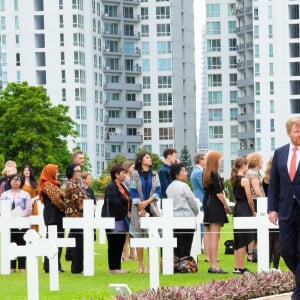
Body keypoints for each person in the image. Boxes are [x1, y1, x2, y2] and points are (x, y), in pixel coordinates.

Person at [268, 117, 300, 300]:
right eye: (297, 131)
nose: (299, 134)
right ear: (289, 133)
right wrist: (272, 209)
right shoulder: (279, 153)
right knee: (287, 249)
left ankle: (297, 294)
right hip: (285, 209)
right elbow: (274, 184)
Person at [129, 152, 161, 274]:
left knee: (150, 236)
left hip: (151, 207)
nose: (150, 159)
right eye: (147, 157)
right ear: (141, 160)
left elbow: (158, 190)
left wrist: (147, 202)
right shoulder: (134, 174)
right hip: (138, 208)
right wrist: (140, 206)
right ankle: (140, 263)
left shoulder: (155, 174)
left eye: (150, 157)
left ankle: (149, 264)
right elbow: (132, 190)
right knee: (138, 235)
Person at [203, 150, 231, 274]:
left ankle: (212, 263)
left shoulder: (207, 173)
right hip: (215, 204)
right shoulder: (214, 174)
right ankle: (214, 265)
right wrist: (226, 205)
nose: (221, 161)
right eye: (220, 159)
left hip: (210, 202)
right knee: (215, 236)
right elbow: (219, 193)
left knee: (212, 235)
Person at [37, 164, 66, 273]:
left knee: (59, 240)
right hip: (53, 215)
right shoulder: (47, 185)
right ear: (50, 172)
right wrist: (66, 208)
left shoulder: (54, 184)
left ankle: (56, 265)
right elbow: (56, 200)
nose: (57, 174)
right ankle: (49, 265)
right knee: (53, 240)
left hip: (57, 215)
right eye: (56, 171)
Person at [0, 174, 32, 273]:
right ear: (10, 181)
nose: (16, 182)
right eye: (14, 180)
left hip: (21, 222)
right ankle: (12, 266)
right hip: (8, 222)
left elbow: (29, 209)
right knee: (11, 243)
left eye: (18, 180)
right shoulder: (5, 195)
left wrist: (19, 216)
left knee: (22, 243)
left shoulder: (25, 194)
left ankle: (22, 267)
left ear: (21, 182)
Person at [101, 165, 130, 274]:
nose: (125, 175)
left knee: (120, 242)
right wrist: (126, 212)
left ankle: (118, 267)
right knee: (113, 243)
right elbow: (115, 202)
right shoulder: (111, 187)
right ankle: (113, 268)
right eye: (123, 173)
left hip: (121, 218)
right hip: (112, 218)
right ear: (116, 175)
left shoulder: (122, 186)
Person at [166, 163, 199, 257]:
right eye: (183, 171)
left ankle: (176, 265)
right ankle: (185, 265)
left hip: (174, 219)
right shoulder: (183, 186)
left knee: (176, 246)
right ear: (177, 174)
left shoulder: (169, 187)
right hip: (186, 218)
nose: (186, 173)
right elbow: (192, 202)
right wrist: (195, 213)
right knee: (186, 246)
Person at [231, 157, 255, 274]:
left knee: (238, 238)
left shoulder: (234, 179)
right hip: (244, 208)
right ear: (244, 166)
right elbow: (249, 198)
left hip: (237, 208)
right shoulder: (244, 180)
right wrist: (253, 211)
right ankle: (241, 266)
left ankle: (237, 266)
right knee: (244, 238)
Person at [65, 163, 89, 274]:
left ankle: (79, 266)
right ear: (71, 172)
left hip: (81, 217)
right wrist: (90, 205)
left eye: (80, 170)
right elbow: (80, 202)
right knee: (78, 243)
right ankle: (76, 267)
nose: (79, 173)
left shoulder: (78, 184)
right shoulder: (71, 185)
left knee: (80, 242)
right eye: (77, 171)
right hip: (76, 217)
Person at [65, 150, 85, 261]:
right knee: (76, 236)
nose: (83, 160)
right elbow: (79, 201)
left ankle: (72, 257)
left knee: (77, 237)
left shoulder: (79, 180)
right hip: (76, 214)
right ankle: (72, 257)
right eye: (80, 158)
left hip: (82, 215)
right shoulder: (71, 183)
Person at [247, 152, 265, 262]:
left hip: (254, 202)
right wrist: (265, 199)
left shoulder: (249, 173)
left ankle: (252, 253)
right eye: (261, 160)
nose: (262, 162)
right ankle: (253, 253)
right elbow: (257, 192)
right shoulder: (253, 175)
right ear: (257, 162)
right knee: (257, 228)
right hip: (257, 202)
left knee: (253, 229)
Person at [263, 156, 280, 270]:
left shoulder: (265, 179)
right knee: (277, 238)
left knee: (269, 237)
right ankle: (276, 266)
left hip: (267, 206)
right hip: (277, 206)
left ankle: (267, 263)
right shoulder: (279, 178)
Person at [190, 152, 208, 259]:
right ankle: (200, 249)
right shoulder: (198, 172)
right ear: (200, 160)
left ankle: (202, 249)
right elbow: (204, 186)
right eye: (205, 159)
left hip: (200, 199)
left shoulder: (197, 171)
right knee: (202, 226)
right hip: (201, 200)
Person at [121, 160, 136, 261]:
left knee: (133, 232)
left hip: (133, 206)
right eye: (132, 167)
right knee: (126, 232)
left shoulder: (133, 178)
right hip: (126, 206)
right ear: (127, 168)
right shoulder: (124, 180)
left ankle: (133, 253)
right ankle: (125, 253)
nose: (134, 169)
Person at [21, 164, 39, 232]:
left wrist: (34, 199)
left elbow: (40, 194)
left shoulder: (35, 183)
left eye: (28, 170)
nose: (27, 171)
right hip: (23, 207)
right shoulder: (20, 182)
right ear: (23, 172)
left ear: (30, 171)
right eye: (25, 170)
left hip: (33, 206)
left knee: (33, 225)